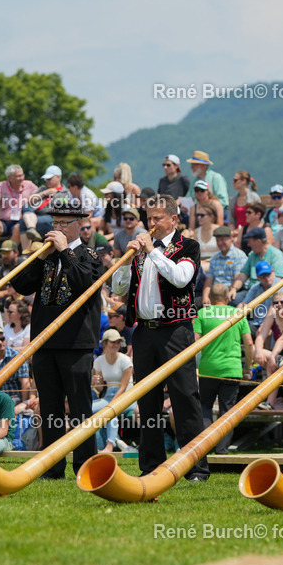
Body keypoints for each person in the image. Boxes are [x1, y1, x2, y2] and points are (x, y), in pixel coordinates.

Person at [111, 193, 210, 481]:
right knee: (147, 400)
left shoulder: (187, 246)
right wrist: (125, 259)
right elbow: (119, 288)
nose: (150, 224)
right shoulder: (141, 250)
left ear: (173, 219)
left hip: (175, 330)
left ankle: (195, 467)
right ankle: (151, 465)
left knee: (185, 398)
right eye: (148, 219)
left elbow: (180, 278)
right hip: (144, 331)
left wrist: (152, 251)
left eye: (157, 219)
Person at [11, 196, 103, 479]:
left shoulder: (91, 256)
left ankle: (85, 465)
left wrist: (65, 252)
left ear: (80, 224)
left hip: (76, 344)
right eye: (56, 223)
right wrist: (37, 259)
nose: (58, 228)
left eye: (65, 223)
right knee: (49, 407)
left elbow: (84, 284)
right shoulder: (47, 256)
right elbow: (20, 284)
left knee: (80, 409)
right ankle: (52, 467)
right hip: (45, 342)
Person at [194, 284, 254, 454]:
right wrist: (248, 367)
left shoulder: (202, 314)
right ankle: (221, 450)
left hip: (208, 370)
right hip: (231, 369)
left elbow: (195, 344)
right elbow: (249, 343)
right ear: (228, 298)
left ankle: (204, 446)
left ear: (211, 299)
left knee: (205, 407)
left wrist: (192, 369)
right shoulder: (238, 314)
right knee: (227, 411)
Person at [253, 292, 283, 410]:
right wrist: (258, 351)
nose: (279, 305)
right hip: (280, 355)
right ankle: (270, 403)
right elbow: (261, 336)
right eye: (275, 303)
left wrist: (273, 356)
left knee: (276, 361)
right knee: (256, 351)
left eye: (282, 302)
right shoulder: (272, 316)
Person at [90, 329, 134, 453]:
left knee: (110, 412)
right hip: (108, 397)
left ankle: (110, 445)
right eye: (113, 342)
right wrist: (96, 382)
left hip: (126, 397)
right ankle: (98, 446)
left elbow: (123, 387)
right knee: (88, 411)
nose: (116, 345)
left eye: (118, 342)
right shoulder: (98, 361)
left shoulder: (125, 360)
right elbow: (100, 388)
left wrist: (111, 405)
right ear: (105, 344)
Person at [0, 164, 38, 251]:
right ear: (10, 177)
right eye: (18, 176)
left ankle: (7, 254)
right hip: (4, 222)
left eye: (22, 175)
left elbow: (40, 196)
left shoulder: (29, 185)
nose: (22, 178)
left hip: (19, 222)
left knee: (18, 228)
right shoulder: (1, 186)